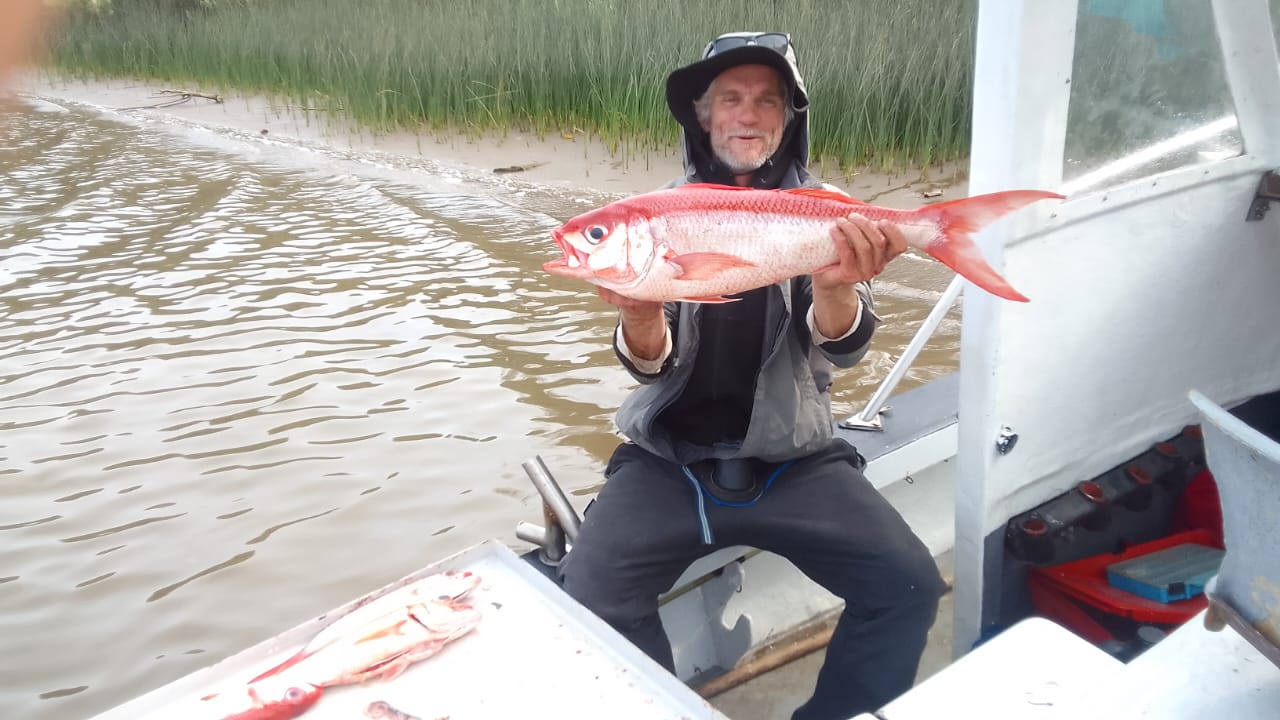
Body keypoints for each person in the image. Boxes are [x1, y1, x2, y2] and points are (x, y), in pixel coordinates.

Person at [558, 31, 948, 720]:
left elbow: (849, 350)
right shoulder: (659, 219)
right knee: (587, 602)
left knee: (909, 584)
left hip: (795, 460)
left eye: (767, 101)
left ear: (786, 120)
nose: (748, 114)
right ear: (702, 117)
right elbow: (648, 364)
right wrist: (644, 311)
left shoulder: (828, 208)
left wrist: (836, 287)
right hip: (668, 464)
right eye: (730, 99)